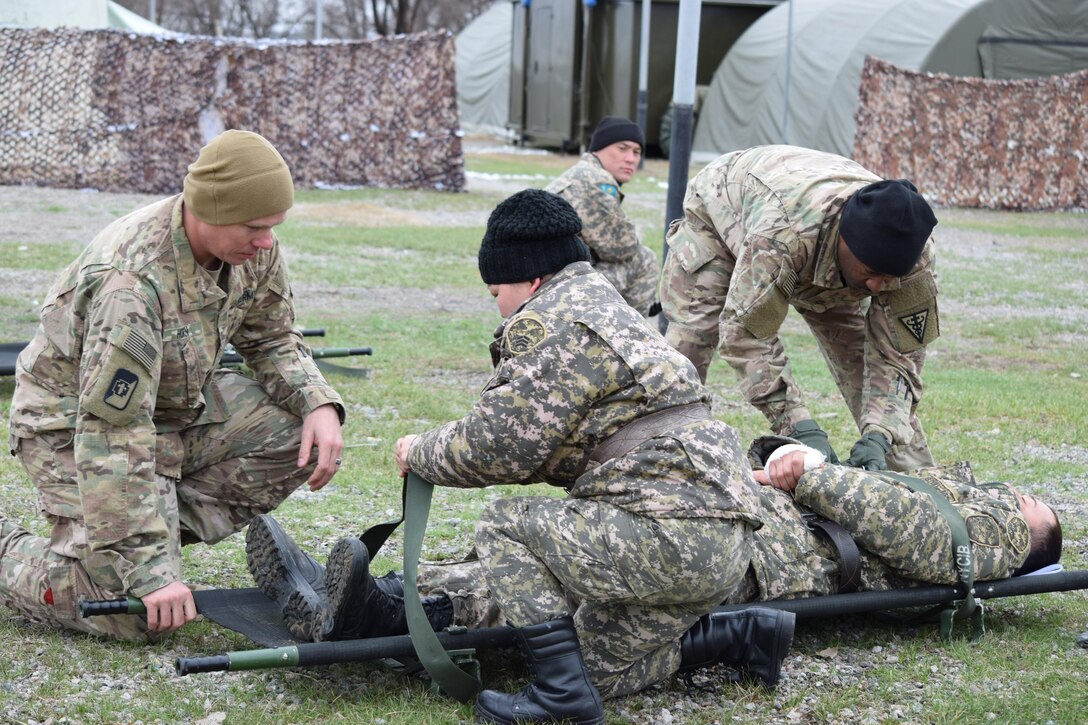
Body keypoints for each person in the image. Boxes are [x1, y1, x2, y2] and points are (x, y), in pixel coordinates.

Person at [247, 189, 792, 724]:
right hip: (720, 542)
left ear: (531, 279)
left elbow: (495, 447)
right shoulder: (606, 308)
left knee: (507, 527)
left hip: (667, 532)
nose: (499, 306)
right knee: (593, 665)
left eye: (496, 292)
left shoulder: (559, 323)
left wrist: (421, 450)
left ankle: (556, 697)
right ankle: (742, 634)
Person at [1, 129, 345, 641]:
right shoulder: (132, 284)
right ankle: (25, 556)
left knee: (297, 432)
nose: (267, 240)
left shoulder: (250, 248)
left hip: (172, 411)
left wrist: (318, 402)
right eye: (255, 227)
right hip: (70, 429)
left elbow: (272, 336)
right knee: (132, 611)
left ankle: (136, 533)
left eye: (274, 226)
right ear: (209, 210)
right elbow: (111, 435)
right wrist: (151, 574)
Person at [659, 144, 941, 473]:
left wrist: (881, 435)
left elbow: (899, 355)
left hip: (821, 249)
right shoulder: (782, 235)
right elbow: (746, 336)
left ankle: (918, 485)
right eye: (871, 273)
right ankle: (659, 456)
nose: (877, 287)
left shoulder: (914, 254)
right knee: (692, 341)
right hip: (724, 210)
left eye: (888, 278)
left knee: (864, 369)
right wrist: (798, 428)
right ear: (847, 244)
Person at [736, 438, 1062, 603]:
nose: (1022, 494)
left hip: (774, 546)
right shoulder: (971, 501)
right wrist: (790, 459)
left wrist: (808, 473)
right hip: (773, 520)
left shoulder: (1007, 536)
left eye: (1032, 503)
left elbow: (905, 526)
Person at [545, 116, 659, 316]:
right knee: (644, 258)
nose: (631, 158)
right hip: (555, 285)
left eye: (636, 152)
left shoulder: (580, 173)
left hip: (544, 277)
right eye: (622, 149)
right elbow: (620, 248)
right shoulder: (596, 180)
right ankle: (626, 335)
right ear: (598, 148)